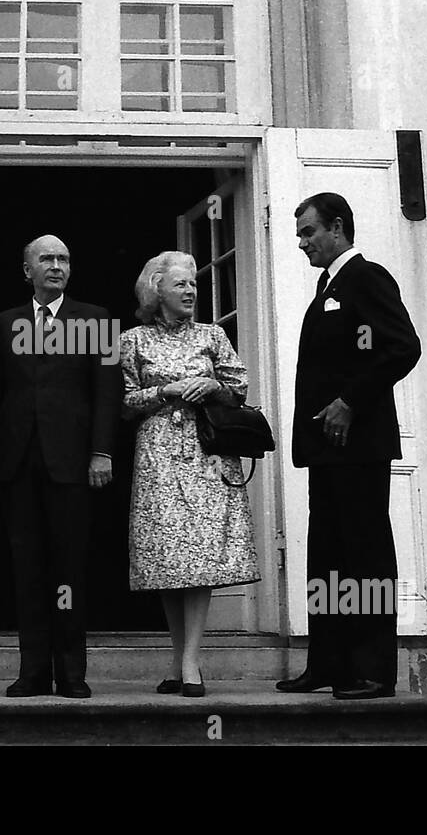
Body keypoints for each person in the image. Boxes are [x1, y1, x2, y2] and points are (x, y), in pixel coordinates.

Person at [277, 192, 420, 700]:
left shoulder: (367, 277)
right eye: (299, 235)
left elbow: (404, 346)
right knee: (329, 556)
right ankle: (329, 663)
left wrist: (350, 401)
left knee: (365, 555)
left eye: (308, 233)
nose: (302, 243)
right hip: (327, 449)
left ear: (337, 228)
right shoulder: (327, 287)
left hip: (359, 444)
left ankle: (373, 671)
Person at [0, 235, 121, 699]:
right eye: (47, 259)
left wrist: (102, 452)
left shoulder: (97, 320)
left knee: (69, 569)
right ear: (27, 270)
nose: (57, 266)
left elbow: (108, 392)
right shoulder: (6, 323)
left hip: (73, 463)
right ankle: (33, 672)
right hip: (19, 462)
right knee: (26, 568)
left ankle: (72, 673)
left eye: (64, 258)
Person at [119, 251, 260, 698]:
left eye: (194, 284)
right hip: (158, 451)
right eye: (180, 284)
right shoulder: (131, 340)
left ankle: (192, 661)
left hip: (207, 452)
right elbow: (121, 403)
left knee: (199, 557)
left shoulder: (213, 335)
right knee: (168, 559)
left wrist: (214, 386)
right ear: (156, 290)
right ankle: (179, 658)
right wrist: (166, 390)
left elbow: (240, 388)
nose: (191, 291)